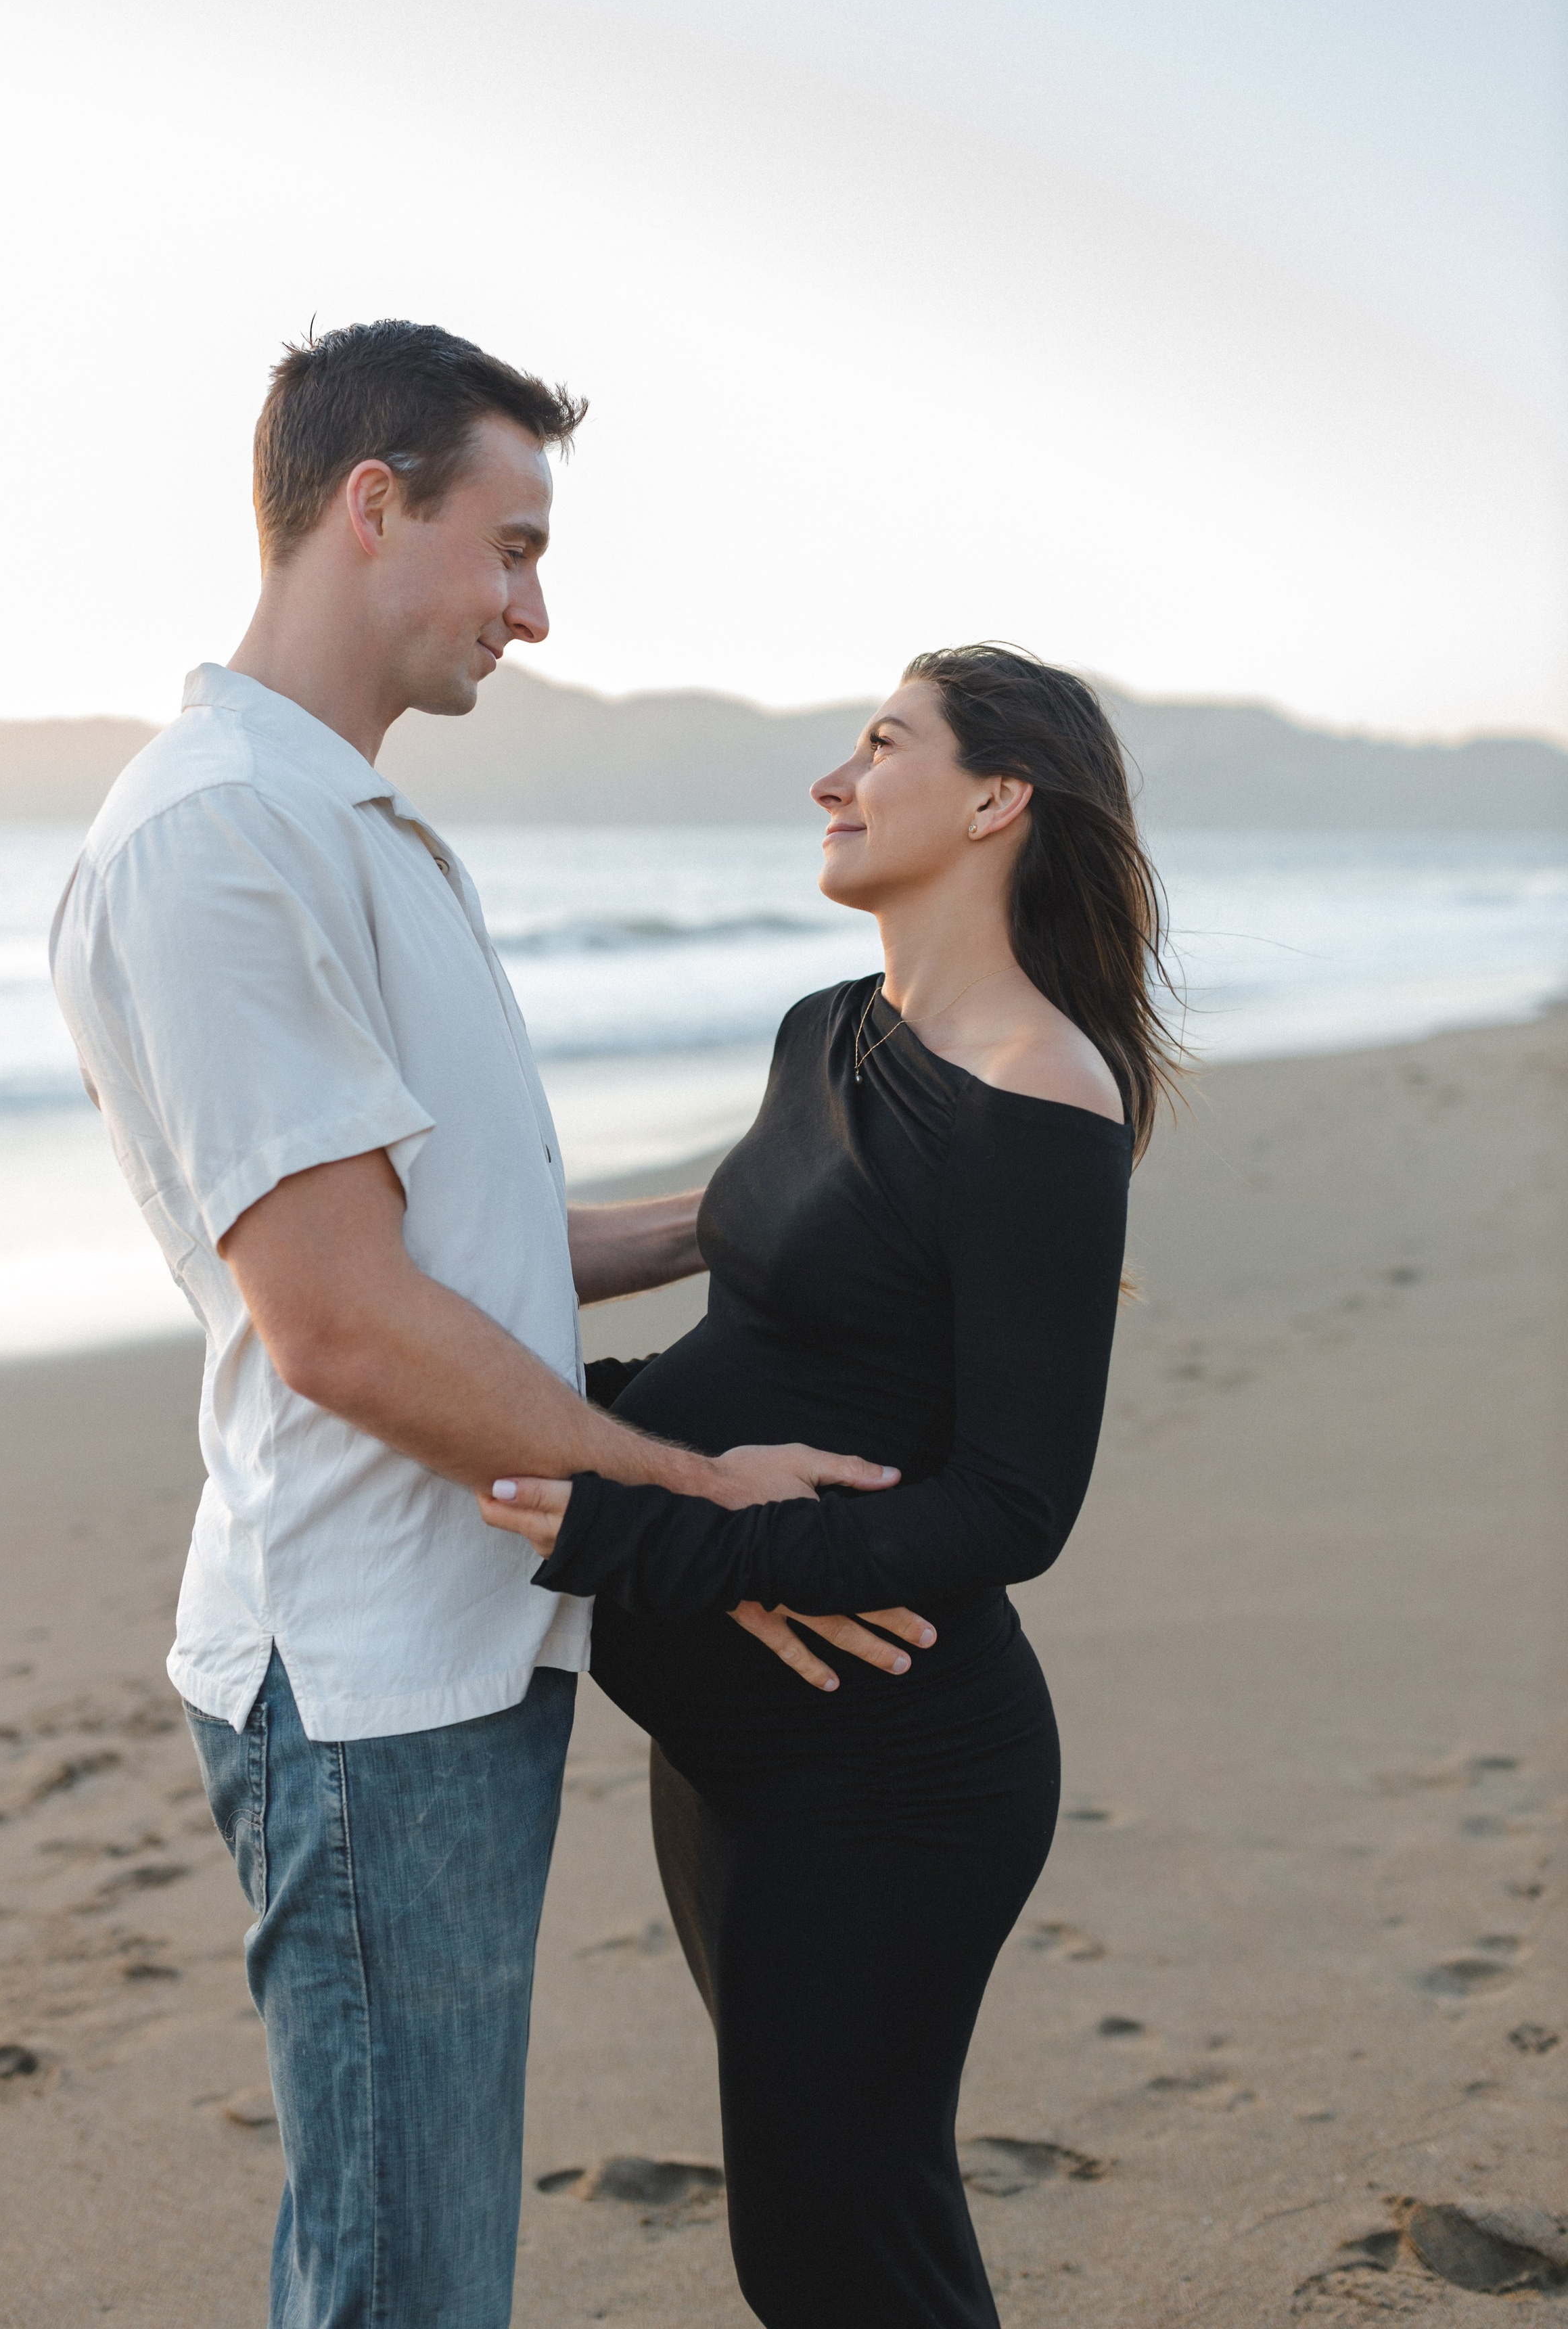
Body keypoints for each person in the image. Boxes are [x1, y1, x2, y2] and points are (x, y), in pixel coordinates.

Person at [49, 318, 924, 2329]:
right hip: (362, 1675)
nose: (534, 610)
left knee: (421, 2260)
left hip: (456, 1635)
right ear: (374, 506)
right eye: (512, 547)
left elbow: (467, 1244)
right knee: (407, 2285)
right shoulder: (216, 835)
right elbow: (344, 1328)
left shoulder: (338, 822)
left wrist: (778, 1209)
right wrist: (691, 1495)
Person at [481, 643, 1182, 2329]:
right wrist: (579, 1422)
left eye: (879, 745)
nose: (830, 779)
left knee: (835, 2249)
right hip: (740, 1758)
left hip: (894, 1773)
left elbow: (1013, 1508)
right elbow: (778, 1341)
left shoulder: (1040, 1091)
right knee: (834, 2231)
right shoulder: (826, 1031)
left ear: (996, 799)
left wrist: (648, 1534)